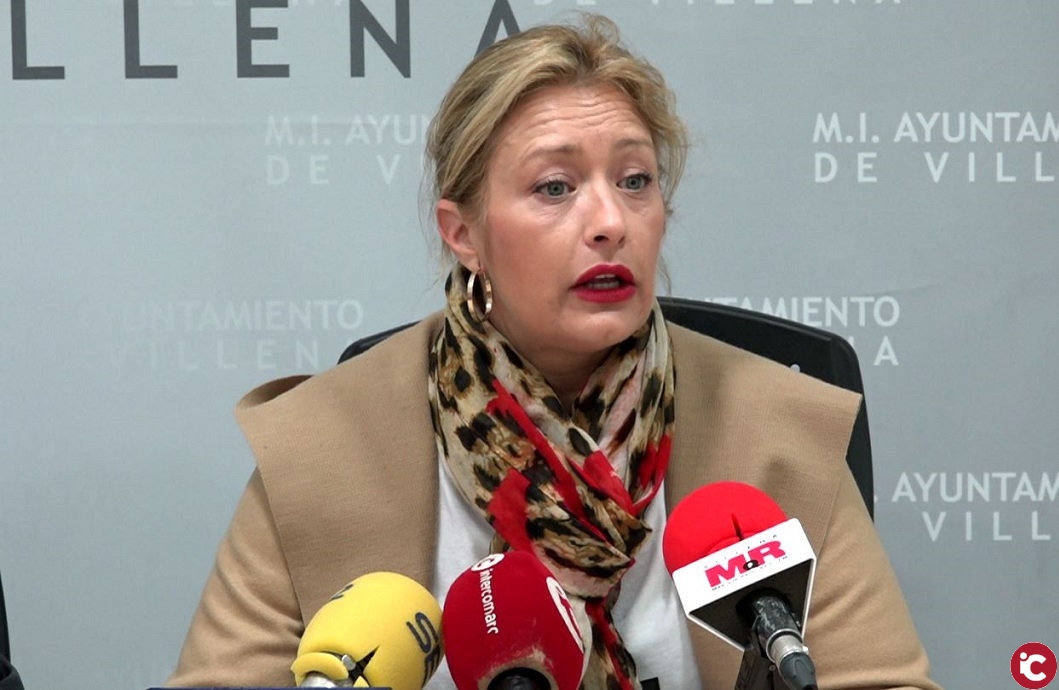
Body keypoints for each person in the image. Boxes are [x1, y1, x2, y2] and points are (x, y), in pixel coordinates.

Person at [168, 14, 942, 690]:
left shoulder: (778, 435)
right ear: (463, 234)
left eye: (634, 180)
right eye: (554, 188)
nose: (610, 221)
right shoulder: (319, 446)